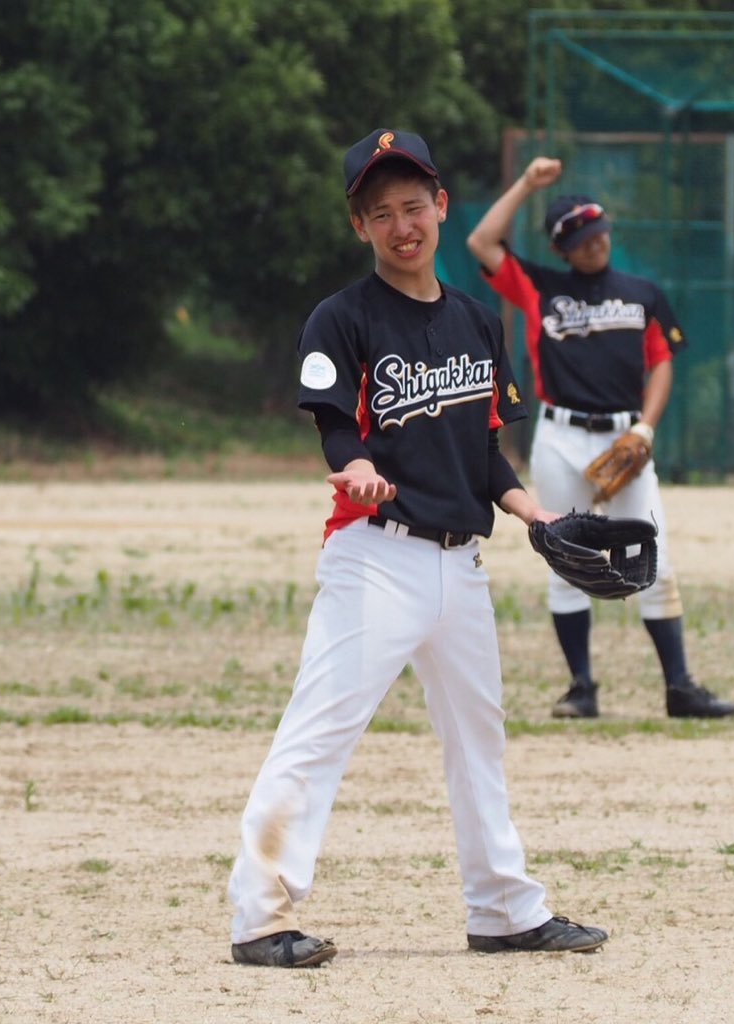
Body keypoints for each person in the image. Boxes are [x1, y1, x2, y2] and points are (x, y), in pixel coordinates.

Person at [226, 129, 608, 969]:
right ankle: (260, 917)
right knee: (320, 730)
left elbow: (482, 453)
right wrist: (357, 466)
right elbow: (334, 425)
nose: (402, 225)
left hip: (459, 566)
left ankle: (505, 909)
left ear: (441, 206)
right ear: (358, 224)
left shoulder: (476, 319)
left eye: (413, 206)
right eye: (380, 212)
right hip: (374, 557)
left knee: (480, 738)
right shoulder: (343, 318)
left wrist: (534, 515)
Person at [466, 156, 734, 721]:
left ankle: (680, 688)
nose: (596, 245)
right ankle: (581, 688)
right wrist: (525, 184)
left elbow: (661, 363)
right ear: (564, 248)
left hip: (625, 438)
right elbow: (481, 241)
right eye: (583, 239)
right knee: (567, 556)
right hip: (562, 436)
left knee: (652, 554)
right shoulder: (541, 288)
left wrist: (646, 427)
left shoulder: (643, 293)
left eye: (600, 233)